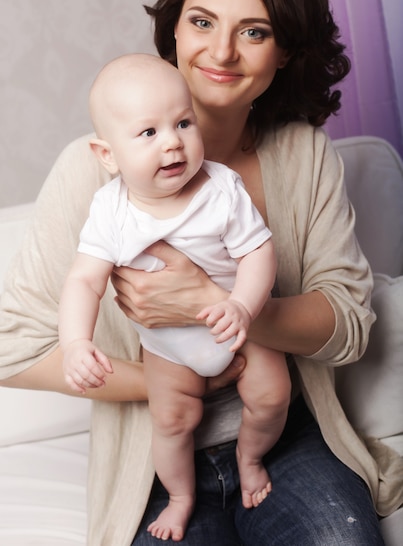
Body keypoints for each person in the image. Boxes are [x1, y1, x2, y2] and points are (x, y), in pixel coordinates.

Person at [1, 0, 402, 546]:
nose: (222, 50)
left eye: (254, 31)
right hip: (153, 452)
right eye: (202, 21)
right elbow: (12, 348)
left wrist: (210, 302)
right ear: (175, 33)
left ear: (285, 52)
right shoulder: (93, 174)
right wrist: (177, 379)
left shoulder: (299, 155)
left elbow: (349, 324)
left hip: (288, 435)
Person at [59, 52, 290, 541]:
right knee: (170, 420)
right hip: (169, 347)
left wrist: (242, 306)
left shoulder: (221, 188)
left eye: (183, 123)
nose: (173, 143)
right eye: (149, 133)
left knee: (271, 395)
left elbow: (258, 254)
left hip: (236, 327)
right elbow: (83, 280)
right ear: (107, 155)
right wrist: (76, 343)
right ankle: (182, 497)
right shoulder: (110, 211)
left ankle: (250, 458)